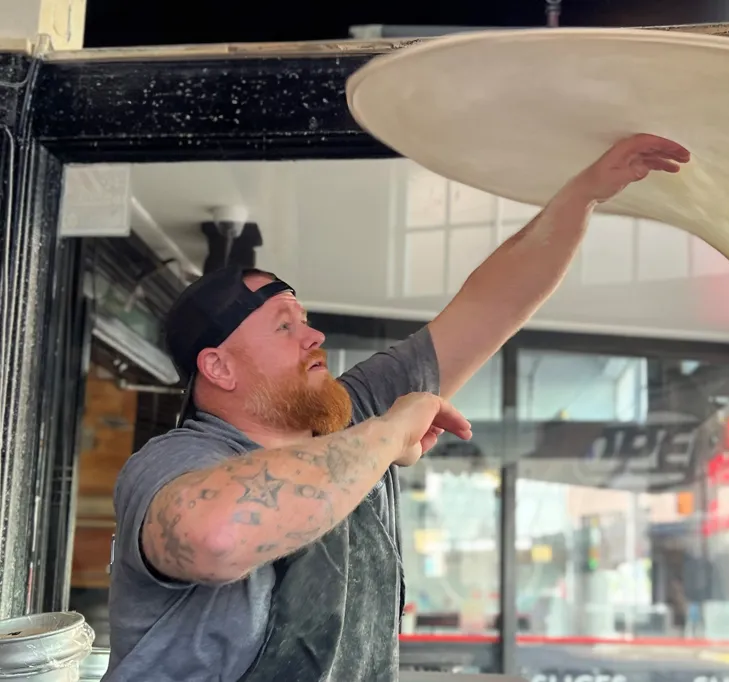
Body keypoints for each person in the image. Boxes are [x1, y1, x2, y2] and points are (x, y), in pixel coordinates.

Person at [104, 133, 690, 682]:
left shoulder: (351, 412)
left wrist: (584, 194)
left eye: (306, 321)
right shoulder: (176, 462)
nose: (314, 337)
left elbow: (490, 303)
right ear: (219, 368)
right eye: (285, 326)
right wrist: (389, 434)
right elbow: (215, 537)